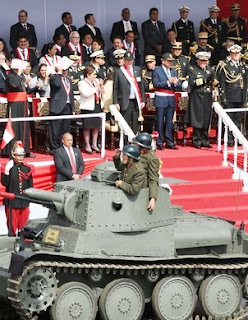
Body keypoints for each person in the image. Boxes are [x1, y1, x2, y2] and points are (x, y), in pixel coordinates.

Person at [218, 45, 247, 146]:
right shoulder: (225, 65)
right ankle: (230, 139)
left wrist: (245, 98)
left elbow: (245, 83)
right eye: (234, 53)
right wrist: (223, 97)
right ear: (230, 54)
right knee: (229, 120)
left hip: (240, 97)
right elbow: (222, 83)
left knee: (238, 119)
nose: (236, 55)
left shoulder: (242, 66)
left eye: (238, 53)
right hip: (230, 96)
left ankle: (237, 138)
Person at [1, 141, 33, 235]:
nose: (21, 157)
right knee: (12, 227)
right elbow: (5, 183)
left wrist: (29, 199)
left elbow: (30, 186)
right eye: (19, 155)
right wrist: (6, 171)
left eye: (22, 155)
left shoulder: (27, 169)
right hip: (12, 202)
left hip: (24, 201)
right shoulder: (9, 168)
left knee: (24, 226)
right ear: (14, 155)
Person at [187, 51, 218, 148]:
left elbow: (215, 82)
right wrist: (204, 80)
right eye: (201, 60)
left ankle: (205, 140)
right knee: (198, 118)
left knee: (206, 118)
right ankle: (196, 140)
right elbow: (191, 83)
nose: (203, 62)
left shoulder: (210, 70)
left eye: (205, 61)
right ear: (197, 61)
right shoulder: (193, 70)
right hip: (197, 96)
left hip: (207, 96)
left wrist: (213, 81)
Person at [153, 52, 181, 150]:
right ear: (163, 61)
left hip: (171, 98)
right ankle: (160, 141)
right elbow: (156, 84)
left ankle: (169, 141)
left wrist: (177, 83)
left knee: (169, 121)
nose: (170, 63)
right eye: (168, 61)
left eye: (171, 61)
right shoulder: (157, 70)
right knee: (160, 121)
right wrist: (168, 82)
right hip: (161, 98)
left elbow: (179, 84)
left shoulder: (173, 71)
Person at [113, 51, 145, 134]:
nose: (129, 62)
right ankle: (125, 143)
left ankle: (134, 141)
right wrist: (116, 102)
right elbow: (115, 89)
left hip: (135, 101)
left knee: (135, 123)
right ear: (124, 60)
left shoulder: (137, 70)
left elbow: (141, 86)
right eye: (127, 60)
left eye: (130, 60)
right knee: (125, 123)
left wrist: (143, 100)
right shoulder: (119, 71)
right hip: (124, 101)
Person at [5, 59, 31, 156]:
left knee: (24, 126)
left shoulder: (20, 76)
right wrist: (19, 74)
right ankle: (13, 150)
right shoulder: (10, 76)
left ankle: (25, 149)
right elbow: (14, 85)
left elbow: (24, 90)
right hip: (14, 104)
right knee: (15, 126)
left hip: (22, 103)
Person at [49, 58, 75, 150]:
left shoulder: (68, 80)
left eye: (66, 70)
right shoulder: (53, 78)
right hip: (57, 107)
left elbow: (71, 95)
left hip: (67, 107)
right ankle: (54, 148)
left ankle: (63, 147)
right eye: (63, 70)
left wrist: (73, 109)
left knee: (65, 129)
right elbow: (57, 85)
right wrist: (58, 73)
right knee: (55, 130)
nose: (64, 72)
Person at [78, 65, 103, 154]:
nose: (95, 76)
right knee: (87, 127)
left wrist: (100, 86)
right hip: (87, 108)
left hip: (96, 106)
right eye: (93, 74)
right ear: (88, 75)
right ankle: (87, 144)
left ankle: (94, 144)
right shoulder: (82, 83)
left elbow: (102, 92)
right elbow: (86, 93)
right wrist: (95, 88)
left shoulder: (95, 82)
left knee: (96, 127)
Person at [133, 132, 160, 210]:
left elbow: (153, 179)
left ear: (142, 147)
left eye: (137, 145)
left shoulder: (152, 158)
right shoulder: (138, 153)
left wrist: (153, 198)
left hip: (140, 185)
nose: (135, 146)